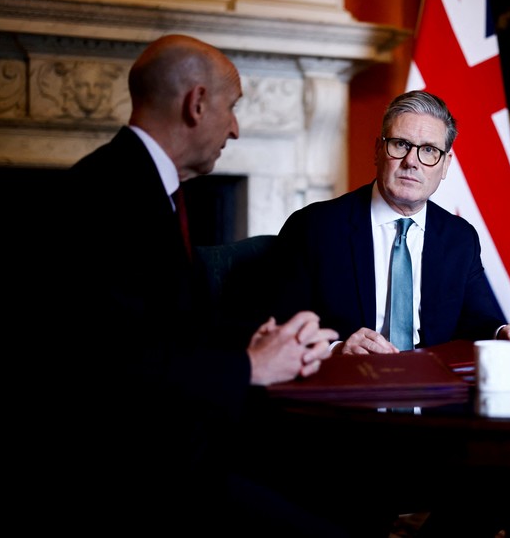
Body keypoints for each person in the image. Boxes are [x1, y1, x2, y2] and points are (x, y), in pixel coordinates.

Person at [30, 34, 343, 534]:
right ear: (196, 104)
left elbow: (168, 325)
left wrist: (260, 341)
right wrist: (250, 365)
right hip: (132, 480)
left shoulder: (151, 186)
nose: (236, 129)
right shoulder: (101, 197)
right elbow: (104, 363)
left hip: (180, 455)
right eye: (232, 108)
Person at [270, 89, 510, 353]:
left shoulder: (460, 237)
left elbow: (478, 321)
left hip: (432, 389)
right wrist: (336, 350)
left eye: (430, 150)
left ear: (445, 165)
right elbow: (277, 329)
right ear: (378, 150)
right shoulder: (314, 227)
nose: (412, 161)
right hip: (348, 386)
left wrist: (502, 333)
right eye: (400, 144)